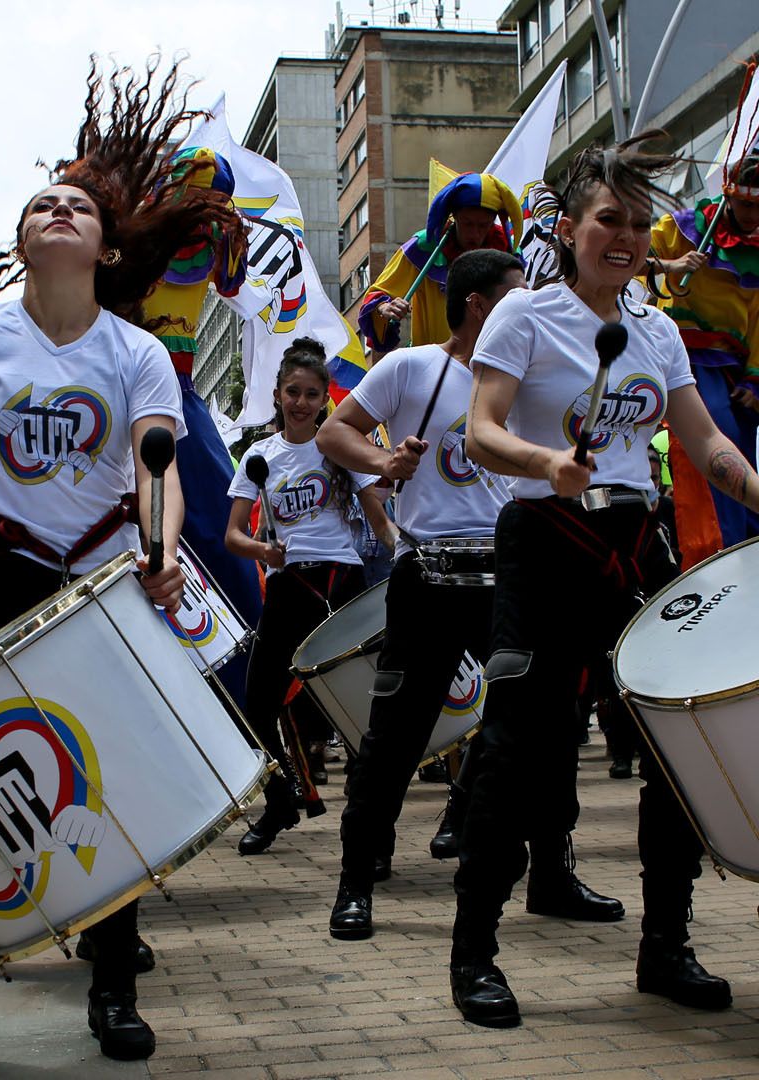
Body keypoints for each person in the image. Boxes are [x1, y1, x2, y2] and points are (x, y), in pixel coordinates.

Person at [0, 66, 230, 1074]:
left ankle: (113, 988)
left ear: (107, 247)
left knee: (108, 787)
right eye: (42, 203)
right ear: (22, 240)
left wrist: (162, 555)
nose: (58, 210)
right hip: (4, 579)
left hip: (110, 587)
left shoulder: (136, 354)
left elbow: (157, 468)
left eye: (76, 204)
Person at [448, 135, 759, 1028]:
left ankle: (666, 947)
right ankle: (475, 954)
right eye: (607, 221)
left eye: (637, 223)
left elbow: (707, 445)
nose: (624, 237)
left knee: (673, 744)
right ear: (573, 229)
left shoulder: (658, 329)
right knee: (519, 748)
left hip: (634, 538)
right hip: (544, 533)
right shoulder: (525, 318)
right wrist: (548, 462)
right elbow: (481, 432)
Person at [320, 246, 620, 940]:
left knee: (547, 725)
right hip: (427, 575)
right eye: (519, 294)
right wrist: (383, 461)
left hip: (517, 570)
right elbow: (337, 433)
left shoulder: (539, 375)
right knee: (395, 735)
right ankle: (356, 881)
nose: (536, 306)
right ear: (482, 305)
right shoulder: (410, 367)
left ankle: (551, 871)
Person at [224, 341, 392, 852]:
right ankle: (280, 803)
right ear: (277, 395)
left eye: (311, 394)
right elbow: (232, 535)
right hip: (287, 587)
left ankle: (370, 831)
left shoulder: (338, 445)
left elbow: (378, 517)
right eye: (292, 392)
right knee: (256, 706)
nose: (300, 402)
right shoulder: (259, 456)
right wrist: (262, 551)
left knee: (363, 713)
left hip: (342, 587)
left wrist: (403, 550)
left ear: (324, 400)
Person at [648, 154, 759, 547]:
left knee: (746, 446)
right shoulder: (682, 227)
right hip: (688, 359)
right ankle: (724, 547)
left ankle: (751, 544)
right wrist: (672, 265)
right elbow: (631, 262)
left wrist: (755, 379)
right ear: (727, 195)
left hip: (739, 367)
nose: (753, 214)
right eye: (747, 204)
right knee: (721, 440)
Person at [358, 172, 522, 355]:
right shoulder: (422, 247)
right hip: (433, 365)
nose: (475, 235)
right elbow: (375, 295)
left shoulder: (508, 251)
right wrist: (385, 308)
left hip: (494, 363)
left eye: (483, 225)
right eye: (468, 224)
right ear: (455, 216)